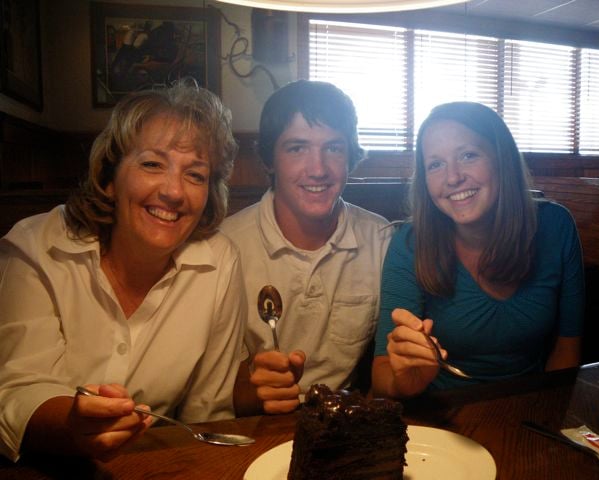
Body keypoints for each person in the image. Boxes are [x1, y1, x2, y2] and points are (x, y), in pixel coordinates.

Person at [0, 79, 246, 462]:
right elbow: (17, 391)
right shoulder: (36, 247)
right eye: (152, 164)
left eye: (195, 175)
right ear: (110, 177)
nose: (174, 192)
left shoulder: (221, 262)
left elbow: (207, 413)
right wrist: (73, 426)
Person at [371, 101, 584, 399]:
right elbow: (382, 371)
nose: (453, 177)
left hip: (532, 404)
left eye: (468, 155)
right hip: (439, 410)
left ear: (502, 159)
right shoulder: (409, 243)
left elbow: (567, 347)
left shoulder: (556, 226)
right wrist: (405, 382)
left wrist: (547, 412)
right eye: (435, 164)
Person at [221, 80, 392, 415]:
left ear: (350, 156)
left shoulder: (381, 240)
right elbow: (217, 389)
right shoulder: (225, 248)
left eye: (334, 148)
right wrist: (256, 391)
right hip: (253, 424)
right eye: (297, 148)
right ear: (269, 160)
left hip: (343, 422)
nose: (318, 169)